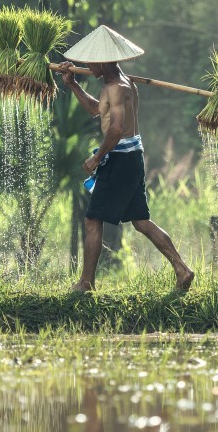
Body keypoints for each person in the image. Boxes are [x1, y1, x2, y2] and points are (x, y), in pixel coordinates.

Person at [57, 25, 195, 293]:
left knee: (93, 219)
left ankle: (86, 283)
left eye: (91, 60)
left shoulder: (118, 88)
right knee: (141, 221)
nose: (86, 64)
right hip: (131, 157)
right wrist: (72, 84)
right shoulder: (117, 84)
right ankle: (182, 269)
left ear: (104, 61)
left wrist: (97, 157)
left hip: (120, 159)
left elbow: (116, 130)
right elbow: (97, 110)